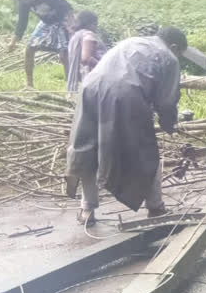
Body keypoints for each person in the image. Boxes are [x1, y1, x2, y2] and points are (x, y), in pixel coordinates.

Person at [65, 27, 188, 226]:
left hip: (89, 87)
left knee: (87, 147)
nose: (178, 58)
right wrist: (169, 123)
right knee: (146, 152)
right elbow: (166, 101)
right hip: (125, 95)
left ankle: (87, 209)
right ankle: (156, 207)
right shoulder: (169, 57)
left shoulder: (132, 41)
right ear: (174, 46)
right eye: (179, 53)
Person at [6, 0, 72, 89]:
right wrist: (13, 42)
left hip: (63, 20)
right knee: (29, 49)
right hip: (46, 23)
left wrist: (71, 27)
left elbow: (66, 7)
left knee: (64, 55)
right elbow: (22, 22)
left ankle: (71, 88)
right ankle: (29, 85)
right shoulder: (23, 2)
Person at [67, 10, 106, 93]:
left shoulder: (75, 36)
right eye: (96, 24)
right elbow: (86, 58)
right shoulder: (89, 35)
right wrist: (103, 67)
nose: (96, 27)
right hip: (93, 78)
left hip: (80, 77)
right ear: (91, 24)